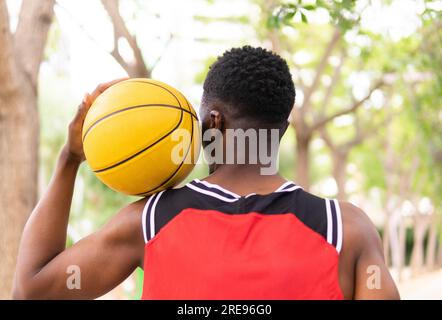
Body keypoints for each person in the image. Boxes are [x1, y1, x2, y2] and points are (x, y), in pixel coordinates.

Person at [13, 46, 399, 300]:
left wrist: (70, 158)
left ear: (213, 121)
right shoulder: (347, 229)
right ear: (281, 131)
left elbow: (31, 291)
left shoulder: (151, 221)